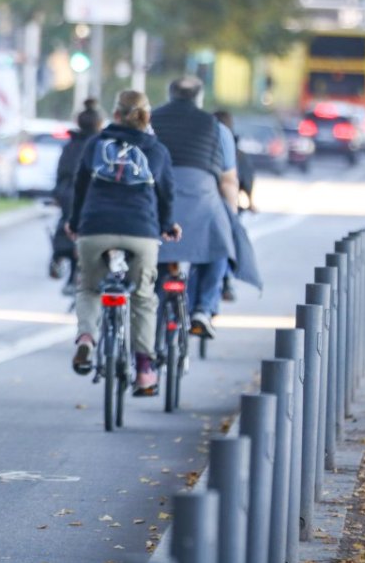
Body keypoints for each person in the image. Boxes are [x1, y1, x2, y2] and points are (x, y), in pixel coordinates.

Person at [67, 89, 181, 395]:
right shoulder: (157, 150)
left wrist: (74, 224)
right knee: (143, 297)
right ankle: (144, 370)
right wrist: (168, 225)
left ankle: (87, 338)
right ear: (147, 116)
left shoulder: (95, 144)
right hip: (141, 231)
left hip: (95, 229)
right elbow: (166, 195)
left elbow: (79, 188)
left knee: (89, 287)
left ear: (115, 115)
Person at [152, 77, 239, 340]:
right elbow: (228, 181)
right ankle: (203, 307)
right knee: (220, 246)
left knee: (154, 255)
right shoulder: (217, 129)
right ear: (199, 99)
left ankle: (150, 303)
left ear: (170, 96)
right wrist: (232, 218)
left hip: (159, 203)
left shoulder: (150, 122)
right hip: (202, 201)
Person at [50, 99, 106, 295]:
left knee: (67, 225)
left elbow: (62, 173)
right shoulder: (102, 146)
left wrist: (58, 195)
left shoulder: (71, 146)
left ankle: (59, 259)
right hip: (94, 196)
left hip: (69, 196)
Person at [213, 110, 252, 303]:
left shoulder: (204, 141)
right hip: (224, 204)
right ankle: (228, 278)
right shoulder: (236, 151)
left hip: (201, 202)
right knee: (229, 242)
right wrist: (248, 202)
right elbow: (244, 179)